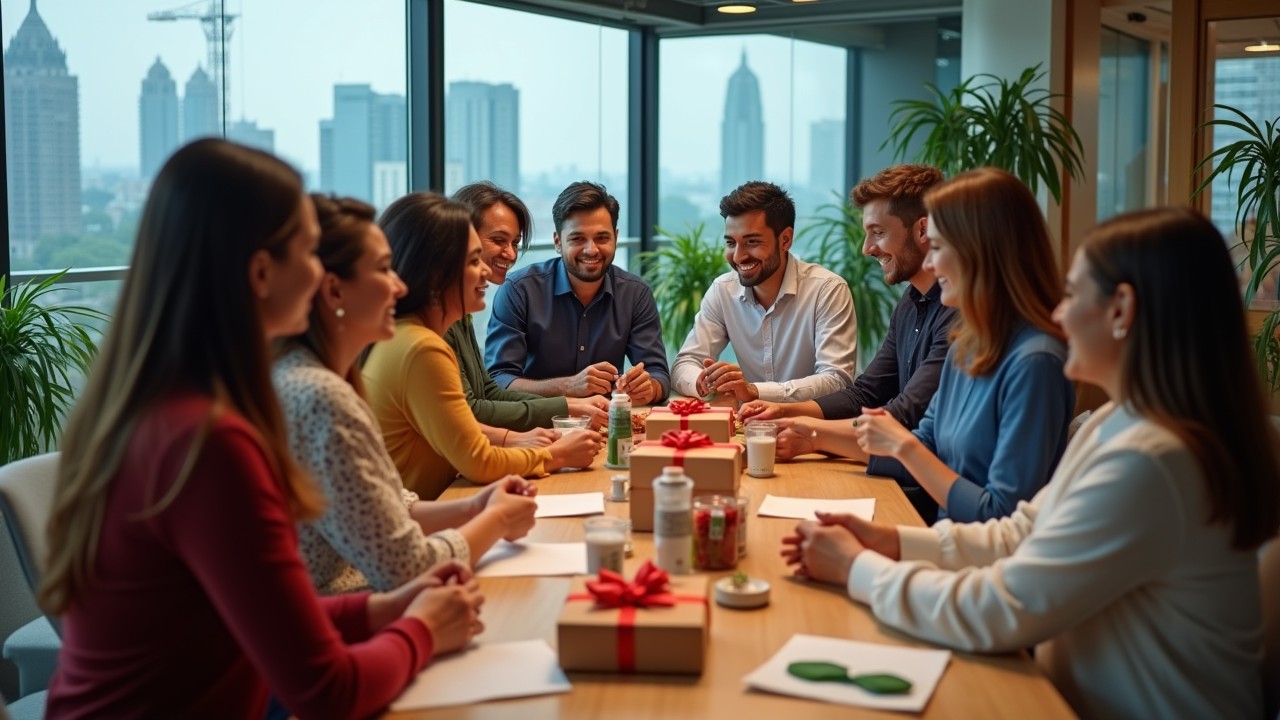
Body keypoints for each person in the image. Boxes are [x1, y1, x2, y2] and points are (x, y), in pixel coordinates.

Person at [39, 139, 484, 719]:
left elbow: (254, 614)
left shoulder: (155, 409)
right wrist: (420, 630)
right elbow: (326, 691)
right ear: (260, 272)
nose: (318, 269)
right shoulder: (210, 440)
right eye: (307, 250)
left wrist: (386, 611)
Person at [783, 206, 1280, 719]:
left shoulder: (1152, 460)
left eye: (1072, 294)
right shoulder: (1119, 421)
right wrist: (891, 542)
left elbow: (1004, 608)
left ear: (1121, 309)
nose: (1059, 314)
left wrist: (857, 568)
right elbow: (1020, 534)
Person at [771, 168, 1073, 523]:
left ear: (984, 252)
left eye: (940, 246)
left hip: (974, 564)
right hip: (946, 543)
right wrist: (809, 434)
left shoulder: (1036, 363)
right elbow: (925, 444)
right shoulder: (970, 344)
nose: (930, 261)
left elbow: (1001, 519)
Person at [273, 193, 539, 595]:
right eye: (384, 270)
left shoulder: (327, 376)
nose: (399, 285)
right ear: (334, 292)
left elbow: (388, 504)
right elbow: (406, 566)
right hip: (353, 609)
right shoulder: (321, 396)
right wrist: (496, 519)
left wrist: (474, 507)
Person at [363, 192, 602, 500]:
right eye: (473, 260)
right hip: (425, 508)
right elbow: (477, 459)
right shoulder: (420, 347)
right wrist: (557, 455)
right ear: (437, 269)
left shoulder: (418, 331)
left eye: (514, 243)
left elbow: (471, 410)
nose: (485, 272)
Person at [740, 165, 956, 427]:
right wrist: (783, 411)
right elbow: (865, 394)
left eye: (878, 232)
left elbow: (906, 412)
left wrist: (812, 433)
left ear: (923, 230)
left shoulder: (957, 311)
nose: (867, 249)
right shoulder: (909, 303)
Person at [670, 181, 858, 403]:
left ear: (785, 239)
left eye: (752, 242)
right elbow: (685, 363)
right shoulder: (722, 290)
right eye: (731, 243)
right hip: (750, 426)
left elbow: (836, 380)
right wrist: (703, 381)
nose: (738, 257)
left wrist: (755, 391)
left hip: (812, 427)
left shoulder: (827, 290)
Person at [485, 181, 669, 405]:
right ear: (557, 242)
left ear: (616, 237)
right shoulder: (519, 290)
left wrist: (649, 388)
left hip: (606, 424)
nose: (591, 250)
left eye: (602, 238)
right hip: (536, 425)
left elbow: (659, 374)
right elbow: (498, 380)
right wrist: (568, 386)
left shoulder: (635, 293)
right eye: (577, 238)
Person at [445, 182, 609, 431]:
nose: (510, 254)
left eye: (515, 243)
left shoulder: (460, 314)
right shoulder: (438, 320)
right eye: (499, 240)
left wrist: (570, 406)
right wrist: (567, 405)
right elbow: (472, 409)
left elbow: (488, 391)